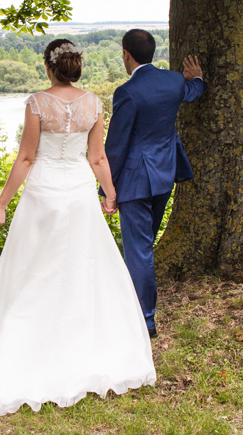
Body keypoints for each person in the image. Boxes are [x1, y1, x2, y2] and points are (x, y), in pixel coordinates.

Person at [0, 38, 156, 416]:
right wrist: (110, 194)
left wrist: (1, 205)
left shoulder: (37, 103)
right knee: (83, 269)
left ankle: (25, 352)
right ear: (76, 68)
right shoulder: (94, 103)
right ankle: (86, 346)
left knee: (34, 270)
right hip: (80, 193)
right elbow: (97, 157)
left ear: (49, 67)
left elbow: (27, 158)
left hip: (44, 196)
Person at [101, 28, 204, 339]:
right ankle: (138, 311)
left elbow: (116, 146)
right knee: (144, 249)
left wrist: (107, 190)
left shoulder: (127, 92)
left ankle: (145, 321)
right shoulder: (174, 80)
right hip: (164, 177)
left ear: (126, 55)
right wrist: (197, 78)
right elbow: (192, 93)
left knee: (140, 251)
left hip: (133, 183)